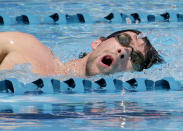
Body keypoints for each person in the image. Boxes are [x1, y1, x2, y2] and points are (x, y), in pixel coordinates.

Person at [0, 29, 163, 77]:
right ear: (97, 42)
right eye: (125, 40)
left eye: (135, 58)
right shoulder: (27, 48)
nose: (124, 51)